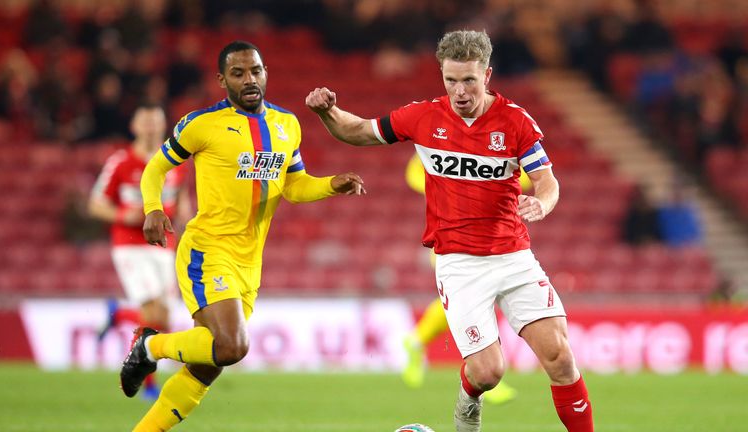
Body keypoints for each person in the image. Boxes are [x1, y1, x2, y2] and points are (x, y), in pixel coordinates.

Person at [306, 30, 594, 432]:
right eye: (451, 80)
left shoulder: (514, 121)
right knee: (488, 372)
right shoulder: (423, 117)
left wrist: (541, 204)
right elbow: (359, 131)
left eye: (469, 81)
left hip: (513, 255)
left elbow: (547, 182)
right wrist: (327, 113)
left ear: (487, 75)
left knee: (561, 358)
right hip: (458, 263)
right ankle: (467, 403)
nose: (459, 91)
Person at [119, 41, 366, 431]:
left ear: (265, 72)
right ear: (222, 80)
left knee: (208, 366)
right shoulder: (202, 124)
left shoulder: (287, 125)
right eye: (238, 73)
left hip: (250, 262)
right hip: (207, 250)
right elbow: (154, 169)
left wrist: (331, 185)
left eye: (256, 70)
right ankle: (150, 346)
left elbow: (294, 186)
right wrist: (152, 208)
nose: (249, 79)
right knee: (232, 346)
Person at [88, 103, 190, 400]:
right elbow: (95, 204)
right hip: (130, 247)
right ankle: (148, 386)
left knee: (164, 317)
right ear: (134, 127)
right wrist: (123, 216)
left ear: (163, 126)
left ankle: (119, 313)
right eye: (144, 122)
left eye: (155, 123)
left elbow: (182, 198)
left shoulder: (176, 163)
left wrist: (184, 213)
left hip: (163, 247)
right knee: (151, 312)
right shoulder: (120, 162)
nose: (150, 128)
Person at [402, 152, 519, 406]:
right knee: (474, 303)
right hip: (453, 240)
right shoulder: (438, 145)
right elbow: (415, 175)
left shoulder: (490, 145)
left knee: (467, 303)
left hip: (487, 239)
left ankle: (416, 341)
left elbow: (516, 180)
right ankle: (485, 373)